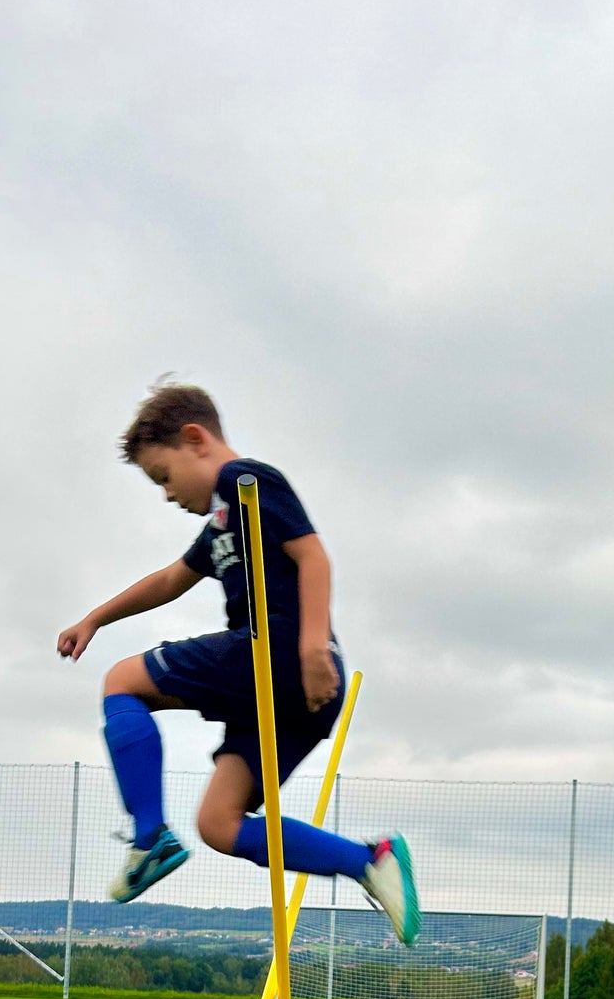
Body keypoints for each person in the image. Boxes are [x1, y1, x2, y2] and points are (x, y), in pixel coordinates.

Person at [57, 382, 420, 944]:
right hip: (293, 693)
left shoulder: (245, 481)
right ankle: (369, 860)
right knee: (219, 825)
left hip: (277, 654)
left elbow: (313, 555)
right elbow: (170, 581)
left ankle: (149, 837)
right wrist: (96, 618)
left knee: (121, 681)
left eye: (163, 477)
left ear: (195, 440)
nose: (166, 494)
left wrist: (312, 645)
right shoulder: (222, 523)